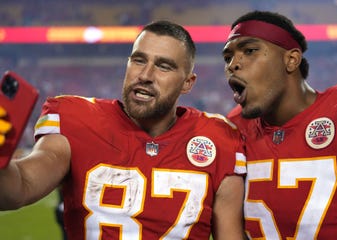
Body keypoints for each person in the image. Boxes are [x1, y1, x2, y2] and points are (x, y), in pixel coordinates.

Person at [0, 20, 247, 240]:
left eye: (163, 66)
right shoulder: (77, 119)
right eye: (139, 60)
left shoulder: (219, 138)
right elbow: (19, 187)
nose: (145, 75)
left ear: (187, 83)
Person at [223, 10, 337, 239]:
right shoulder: (235, 128)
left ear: (291, 60)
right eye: (228, 57)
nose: (233, 64)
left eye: (249, 51)